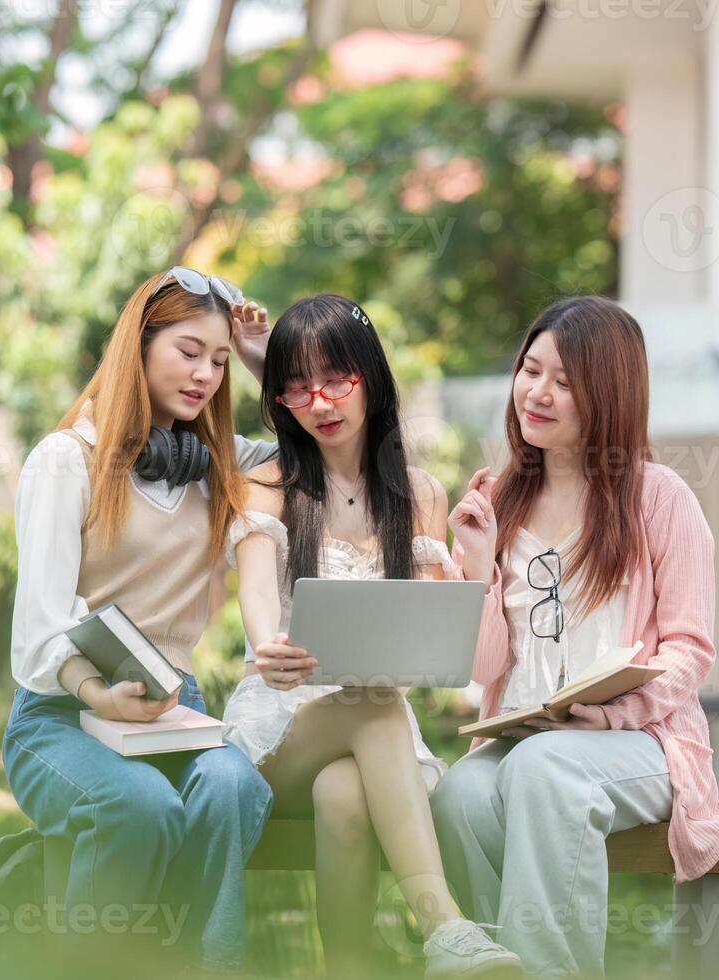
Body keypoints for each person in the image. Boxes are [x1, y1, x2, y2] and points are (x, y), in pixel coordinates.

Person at [429, 295, 719, 980]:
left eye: (565, 381)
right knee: (456, 794)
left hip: (643, 744)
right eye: (531, 370)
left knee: (544, 769)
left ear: (607, 392)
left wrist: (611, 710)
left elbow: (689, 652)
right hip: (523, 742)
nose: (537, 393)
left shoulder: (659, 498)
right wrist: (477, 568)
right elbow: (479, 668)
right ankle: (496, 965)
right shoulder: (499, 497)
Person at [224, 294, 524, 980]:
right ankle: (445, 928)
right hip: (279, 726)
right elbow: (257, 590)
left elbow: (427, 626)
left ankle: (349, 969)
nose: (320, 401)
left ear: (371, 376)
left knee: (345, 791)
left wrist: (475, 564)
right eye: (297, 387)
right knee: (375, 707)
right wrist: (269, 644)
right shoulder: (269, 482)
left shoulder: (416, 494)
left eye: (336, 379)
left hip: (369, 736)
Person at [0, 268, 276, 973]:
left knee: (233, 786)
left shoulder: (215, 467)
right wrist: (97, 693)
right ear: (139, 344)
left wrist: (260, 361)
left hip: (174, 712)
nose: (205, 375)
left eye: (218, 362)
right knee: (140, 806)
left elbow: (326, 451)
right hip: (62, 716)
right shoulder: (67, 461)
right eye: (188, 351)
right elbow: (39, 627)